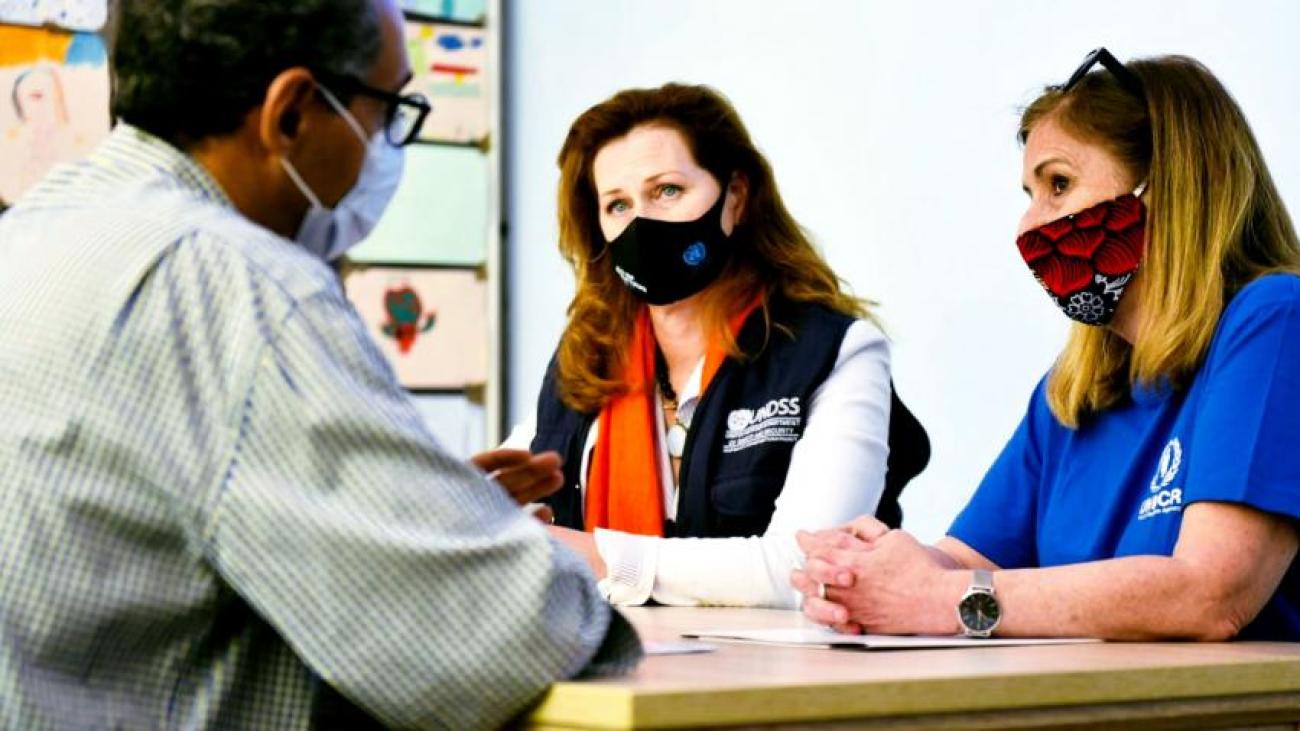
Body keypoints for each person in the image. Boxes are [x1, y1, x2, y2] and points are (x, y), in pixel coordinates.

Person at [0, 1, 638, 728]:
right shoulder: (249, 286)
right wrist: (470, 544)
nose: (385, 149)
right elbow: (510, 632)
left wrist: (410, 504)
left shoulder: (34, 229)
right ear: (294, 113)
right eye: (387, 111)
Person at [793, 49, 1300, 641]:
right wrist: (873, 574)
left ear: (1166, 188)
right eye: (1030, 193)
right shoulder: (1073, 388)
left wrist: (943, 598)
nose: (1028, 226)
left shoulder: (1275, 321)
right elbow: (965, 562)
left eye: (1058, 184)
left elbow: (1212, 595)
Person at [503, 83, 930, 608]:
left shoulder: (835, 351)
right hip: (613, 672)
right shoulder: (585, 359)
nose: (642, 222)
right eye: (617, 205)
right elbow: (502, 522)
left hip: (785, 681)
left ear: (736, 197)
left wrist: (594, 556)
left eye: (667, 191)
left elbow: (802, 569)